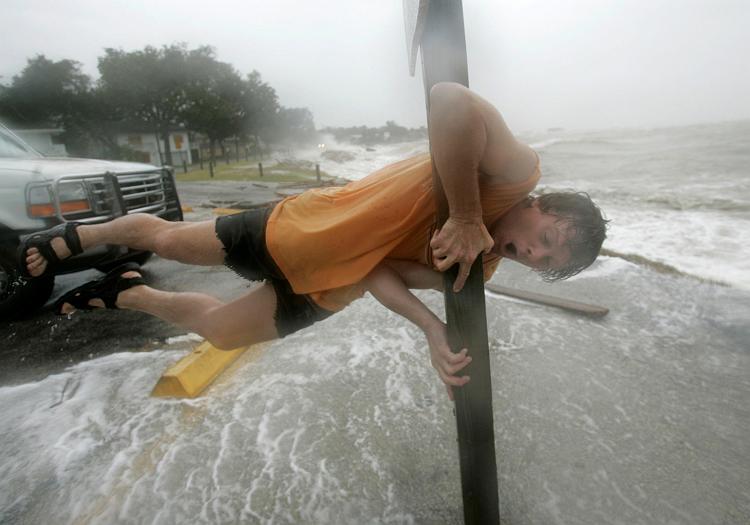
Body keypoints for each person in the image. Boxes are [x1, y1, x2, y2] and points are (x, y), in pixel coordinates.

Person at [19, 83, 607, 398]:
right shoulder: (515, 174)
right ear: (540, 204)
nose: (535, 253)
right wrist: (468, 213)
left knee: (222, 332)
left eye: (546, 261)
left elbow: (379, 271)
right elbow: (450, 99)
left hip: (326, 290)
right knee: (170, 241)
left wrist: (431, 328)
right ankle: (80, 233)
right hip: (296, 231)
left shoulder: (480, 268)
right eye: (547, 237)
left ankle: (125, 292)